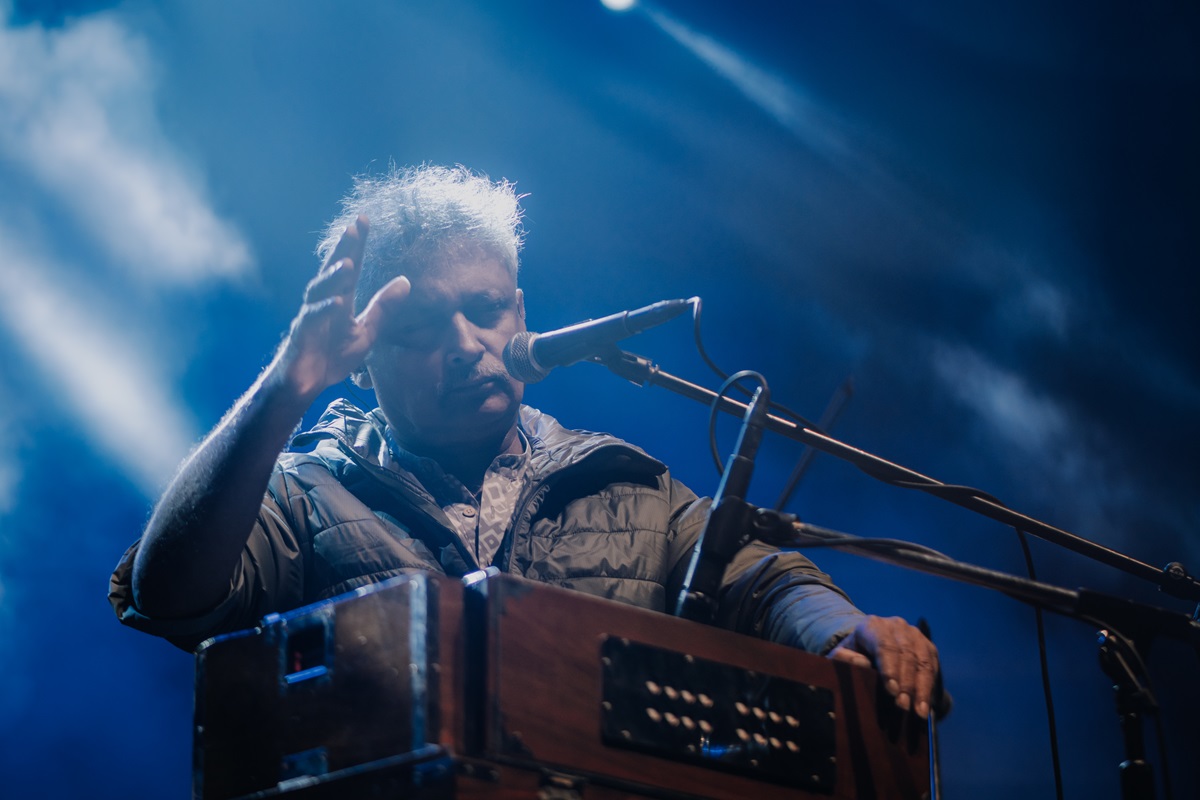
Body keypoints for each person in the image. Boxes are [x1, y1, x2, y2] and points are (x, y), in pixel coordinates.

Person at [109, 164, 941, 720]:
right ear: (361, 363)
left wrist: (842, 630)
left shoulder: (631, 486)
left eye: (485, 308)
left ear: (523, 315)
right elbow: (170, 592)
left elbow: (765, 579)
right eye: (424, 324)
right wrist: (283, 390)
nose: (466, 343)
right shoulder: (302, 491)